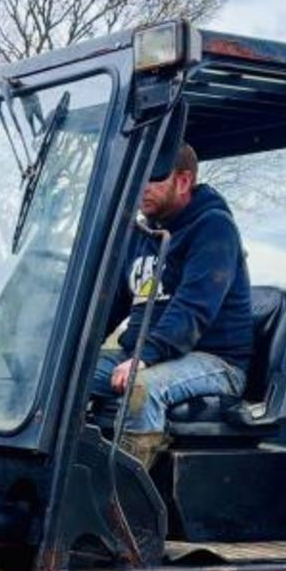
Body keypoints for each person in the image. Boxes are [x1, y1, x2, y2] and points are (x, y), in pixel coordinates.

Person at [90, 143, 254, 469]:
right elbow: (111, 305)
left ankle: (121, 503)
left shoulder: (214, 228)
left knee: (139, 389)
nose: (142, 188)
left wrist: (144, 357)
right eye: (139, 179)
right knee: (62, 380)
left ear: (183, 181)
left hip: (213, 360)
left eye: (153, 178)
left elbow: (193, 308)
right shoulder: (141, 233)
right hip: (145, 353)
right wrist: (71, 349)